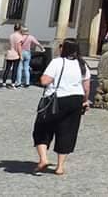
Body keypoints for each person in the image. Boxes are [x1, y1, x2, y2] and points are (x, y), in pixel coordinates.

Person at [32, 37, 91, 176]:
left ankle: (43, 160)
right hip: (75, 101)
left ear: (63, 48)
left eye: (61, 45)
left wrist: (42, 78)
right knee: (67, 131)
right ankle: (60, 167)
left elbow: (45, 80)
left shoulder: (57, 62)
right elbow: (87, 87)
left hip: (56, 100)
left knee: (42, 128)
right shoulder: (83, 65)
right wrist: (85, 101)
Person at [3, 22, 23, 88]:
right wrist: (20, 55)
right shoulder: (20, 36)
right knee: (15, 69)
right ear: (20, 29)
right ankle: (13, 84)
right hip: (16, 55)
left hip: (9, 53)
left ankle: (4, 83)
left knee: (7, 69)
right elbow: (19, 47)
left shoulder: (11, 35)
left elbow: (9, 45)